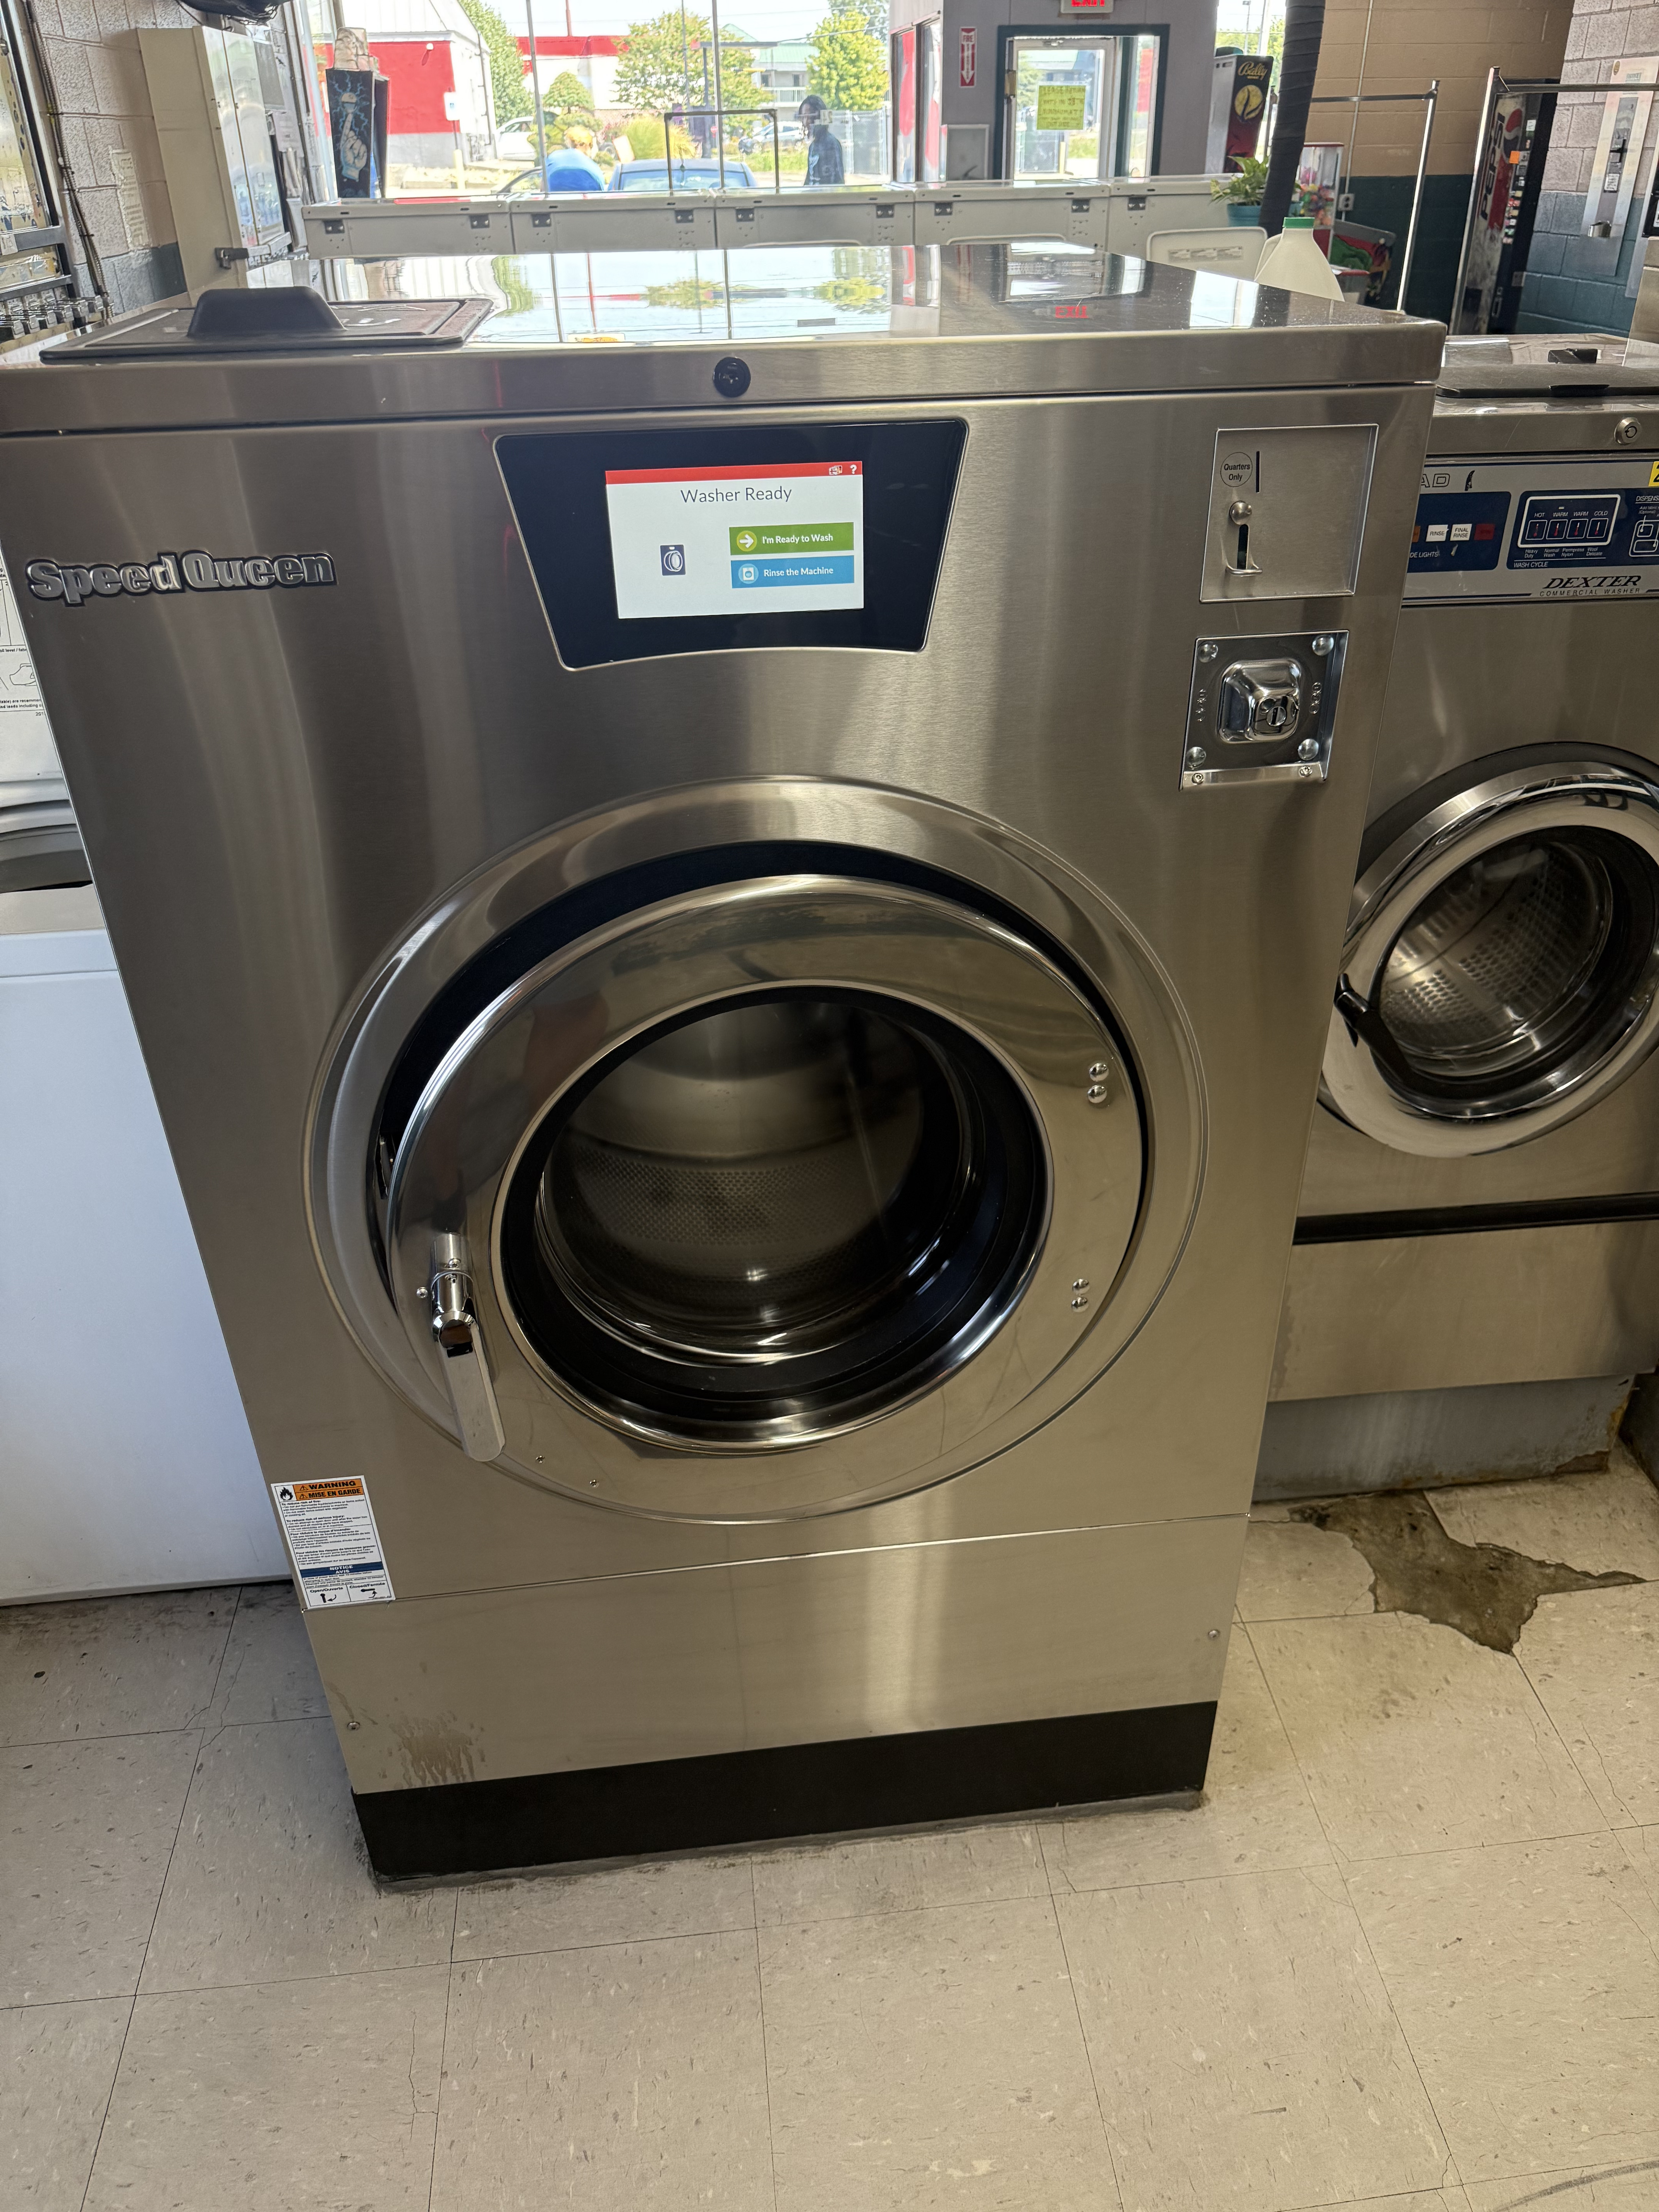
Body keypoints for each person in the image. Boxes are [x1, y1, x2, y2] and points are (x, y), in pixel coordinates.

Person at [542, 124, 605, 193]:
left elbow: (543, 188)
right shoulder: (593, 167)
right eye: (591, 146)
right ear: (587, 145)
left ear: (570, 143)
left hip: (556, 200)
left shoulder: (553, 157)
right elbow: (602, 193)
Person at [797, 95, 845, 187]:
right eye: (804, 118)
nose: (806, 122)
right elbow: (809, 179)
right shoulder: (813, 147)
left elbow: (838, 182)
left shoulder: (832, 145)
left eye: (810, 117)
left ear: (819, 118)